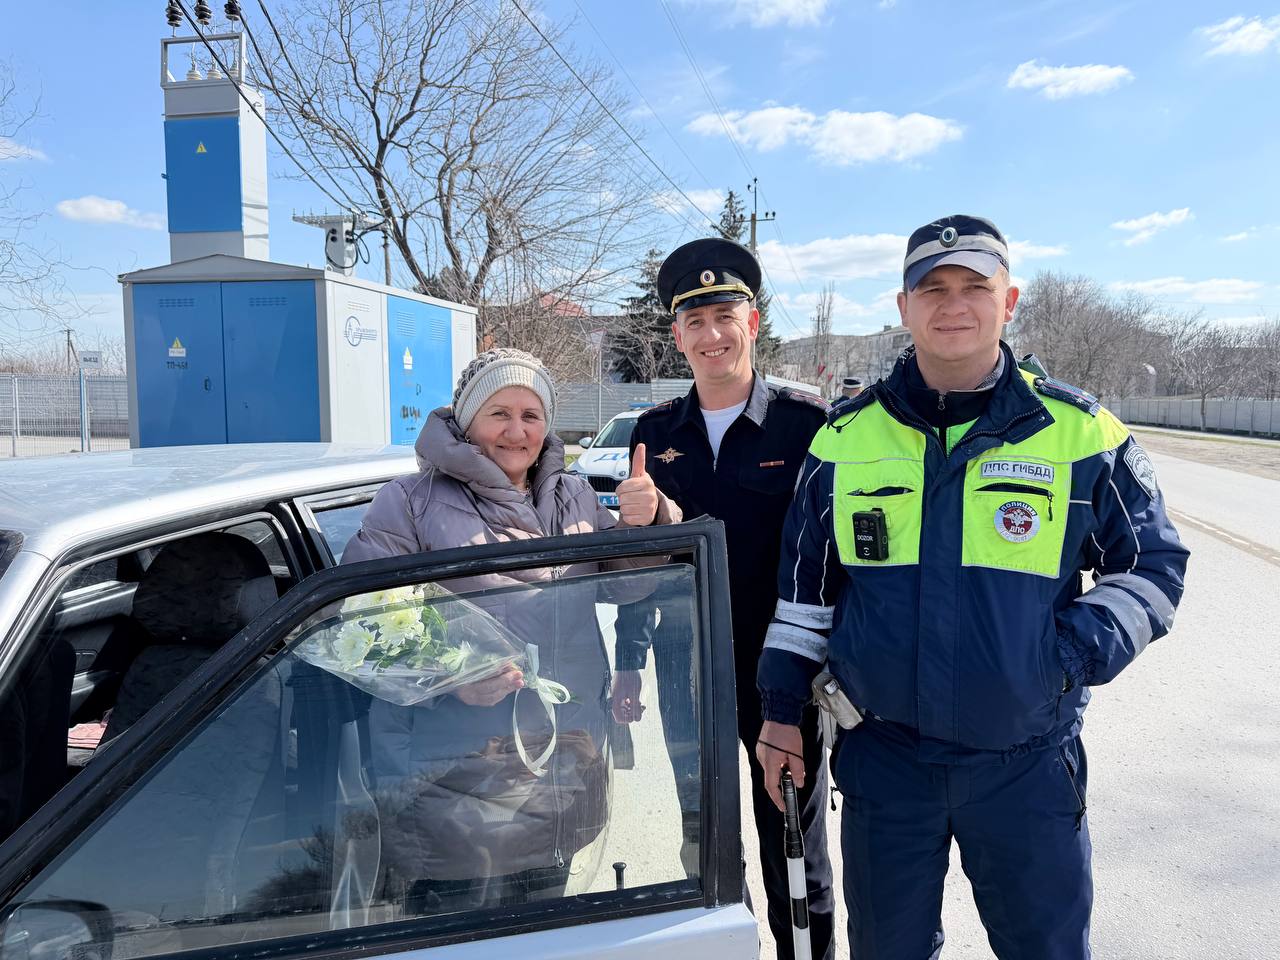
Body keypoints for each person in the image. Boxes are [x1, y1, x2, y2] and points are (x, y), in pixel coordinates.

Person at [755, 215, 1190, 959]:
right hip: (885, 762)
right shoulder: (843, 438)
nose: (952, 305)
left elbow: (1152, 565)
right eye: (933, 289)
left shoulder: (1080, 432)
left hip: (1024, 766)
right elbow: (805, 595)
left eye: (973, 287)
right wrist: (779, 714)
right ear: (903, 308)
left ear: (1009, 299)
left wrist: (1067, 655)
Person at [342, 348, 680, 912]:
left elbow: (625, 587)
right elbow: (364, 621)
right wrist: (452, 678)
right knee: (456, 932)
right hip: (452, 774)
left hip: (561, 759)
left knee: (546, 925)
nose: (516, 431)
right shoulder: (410, 503)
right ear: (466, 420)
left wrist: (649, 523)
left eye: (531, 415)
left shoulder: (572, 495)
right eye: (499, 413)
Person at [611, 237, 835, 960]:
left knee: (794, 852)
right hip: (686, 671)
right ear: (676, 336)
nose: (711, 336)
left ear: (753, 322)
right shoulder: (653, 435)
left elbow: (830, 561)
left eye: (723, 316)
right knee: (703, 848)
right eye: (694, 322)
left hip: (782, 678)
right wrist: (625, 662)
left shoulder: (806, 424)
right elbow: (647, 569)